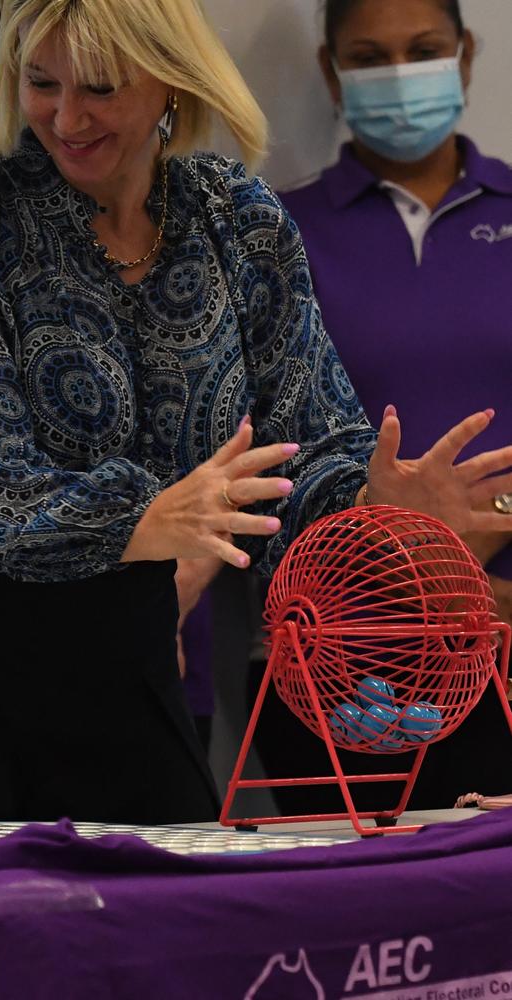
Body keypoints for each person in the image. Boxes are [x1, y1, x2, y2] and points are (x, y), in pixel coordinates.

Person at [0, 0, 510, 825]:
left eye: (99, 86)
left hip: (129, 637)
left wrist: (371, 512)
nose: (65, 116)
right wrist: (150, 517)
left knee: (157, 926)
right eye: (40, 82)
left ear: (171, 77)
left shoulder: (235, 216)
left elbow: (308, 443)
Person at [247, 0, 512, 813]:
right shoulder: (274, 230)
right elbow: (255, 442)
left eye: (423, 50)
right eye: (370, 56)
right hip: (339, 651)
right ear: (331, 71)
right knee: (358, 917)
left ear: (466, 56)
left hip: (509, 633)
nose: (400, 75)